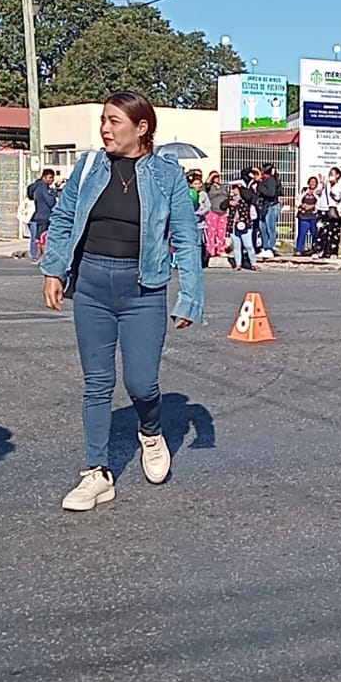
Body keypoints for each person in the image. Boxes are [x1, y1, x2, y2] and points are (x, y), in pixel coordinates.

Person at [39, 91, 204, 511]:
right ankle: (97, 473)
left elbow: (185, 236)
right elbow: (62, 217)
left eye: (114, 121)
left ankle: (151, 431)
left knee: (141, 383)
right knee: (96, 384)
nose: (105, 129)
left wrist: (190, 296)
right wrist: (54, 270)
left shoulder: (166, 173)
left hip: (144, 288)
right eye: (103, 120)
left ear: (141, 127)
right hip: (92, 284)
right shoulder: (91, 165)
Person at [315, 167, 341, 258]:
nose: (330, 176)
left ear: (337, 175)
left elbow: (337, 197)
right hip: (323, 209)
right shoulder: (326, 184)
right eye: (330, 174)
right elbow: (317, 192)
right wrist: (322, 184)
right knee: (322, 231)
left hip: (334, 210)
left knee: (333, 232)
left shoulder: (340, 186)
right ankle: (320, 250)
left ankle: (333, 251)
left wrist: (332, 186)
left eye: (332, 174)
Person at [26, 168, 58, 261]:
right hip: (44, 216)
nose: (51, 180)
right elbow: (50, 201)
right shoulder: (44, 187)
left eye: (52, 178)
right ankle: (42, 257)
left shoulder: (36, 187)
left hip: (36, 217)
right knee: (43, 238)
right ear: (44, 177)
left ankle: (36, 255)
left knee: (37, 238)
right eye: (50, 177)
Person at [225, 184, 257, 270]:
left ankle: (253, 263)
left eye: (236, 189)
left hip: (245, 225)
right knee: (237, 246)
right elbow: (222, 206)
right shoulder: (230, 200)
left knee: (248, 245)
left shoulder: (246, 199)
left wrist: (241, 188)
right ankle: (238, 264)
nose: (234, 191)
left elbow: (250, 197)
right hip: (233, 226)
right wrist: (229, 203)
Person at [255, 163, 283, 257]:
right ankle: (265, 246)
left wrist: (260, 185)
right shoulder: (264, 181)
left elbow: (270, 193)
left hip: (271, 206)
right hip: (263, 207)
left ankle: (270, 247)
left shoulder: (271, 180)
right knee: (263, 228)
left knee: (270, 228)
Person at [203, 170, 229, 258]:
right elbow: (205, 185)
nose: (217, 178)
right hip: (212, 211)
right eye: (215, 177)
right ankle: (211, 250)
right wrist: (211, 177)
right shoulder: (209, 187)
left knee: (221, 231)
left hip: (223, 212)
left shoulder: (223, 187)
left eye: (218, 177)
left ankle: (221, 249)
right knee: (211, 232)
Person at [295, 176, 321, 256]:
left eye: (314, 182)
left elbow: (320, 203)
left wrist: (312, 206)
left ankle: (315, 250)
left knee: (315, 234)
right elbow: (297, 201)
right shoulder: (304, 191)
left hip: (314, 216)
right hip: (303, 216)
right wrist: (302, 205)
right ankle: (299, 250)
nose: (312, 183)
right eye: (311, 182)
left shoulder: (318, 193)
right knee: (302, 234)